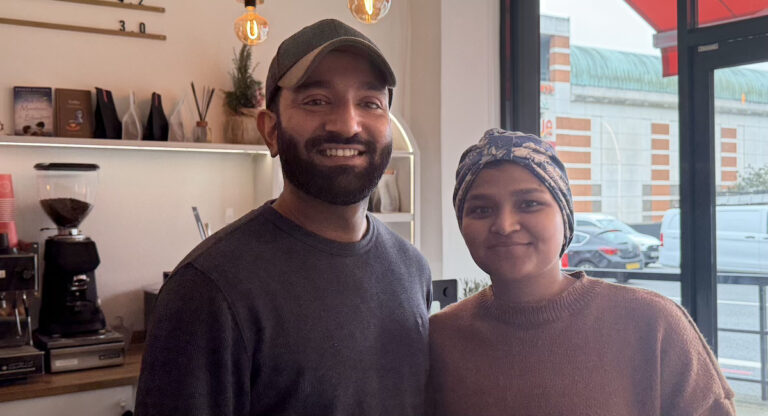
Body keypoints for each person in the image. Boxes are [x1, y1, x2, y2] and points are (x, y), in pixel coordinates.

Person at [135, 19, 432, 416]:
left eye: (370, 103)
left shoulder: (412, 269)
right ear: (271, 131)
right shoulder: (209, 291)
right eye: (316, 101)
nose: (347, 124)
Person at [426, 129, 735, 415]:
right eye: (481, 209)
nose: (505, 225)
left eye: (529, 203)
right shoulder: (441, 337)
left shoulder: (652, 323)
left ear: (565, 217)